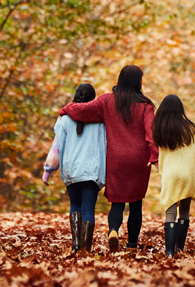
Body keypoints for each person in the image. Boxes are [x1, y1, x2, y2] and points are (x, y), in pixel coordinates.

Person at [60, 65, 158, 252]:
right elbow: (150, 133)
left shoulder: (106, 101)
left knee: (117, 201)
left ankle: (113, 231)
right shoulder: (146, 105)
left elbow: (82, 110)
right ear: (138, 82)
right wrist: (155, 154)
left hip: (116, 159)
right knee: (136, 203)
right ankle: (132, 244)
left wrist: (66, 109)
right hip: (139, 160)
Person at [43, 84, 107, 254]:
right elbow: (107, 146)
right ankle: (86, 249)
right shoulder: (101, 120)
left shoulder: (64, 119)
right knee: (88, 209)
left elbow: (56, 146)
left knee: (75, 205)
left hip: (71, 170)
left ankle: (76, 244)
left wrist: (48, 170)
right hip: (92, 172)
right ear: (94, 100)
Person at [152, 94, 195, 257]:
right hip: (188, 174)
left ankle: (169, 252)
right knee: (184, 211)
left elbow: (161, 157)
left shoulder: (161, 130)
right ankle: (179, 249)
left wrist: (164, 172)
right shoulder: (192, 129)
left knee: (170, 213)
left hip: (171, 175)